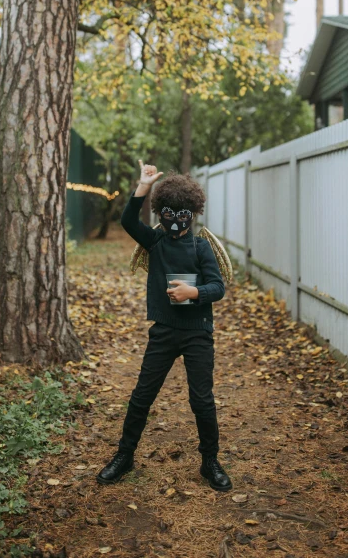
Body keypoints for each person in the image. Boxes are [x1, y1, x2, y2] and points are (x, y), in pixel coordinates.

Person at [96, 160, 232, 491]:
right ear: (160, 212)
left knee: (202, 399)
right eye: (168, 212)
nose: (174, 219)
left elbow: (218, 287)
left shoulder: (201, 247)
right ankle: (124, 456)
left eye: (182, 213)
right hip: (163, 332)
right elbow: (127, 219)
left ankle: (210, 461)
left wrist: (194, 292)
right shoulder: (154, 242)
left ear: (193, 213)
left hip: (198, 332)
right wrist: (143, 185)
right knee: (142, 395)